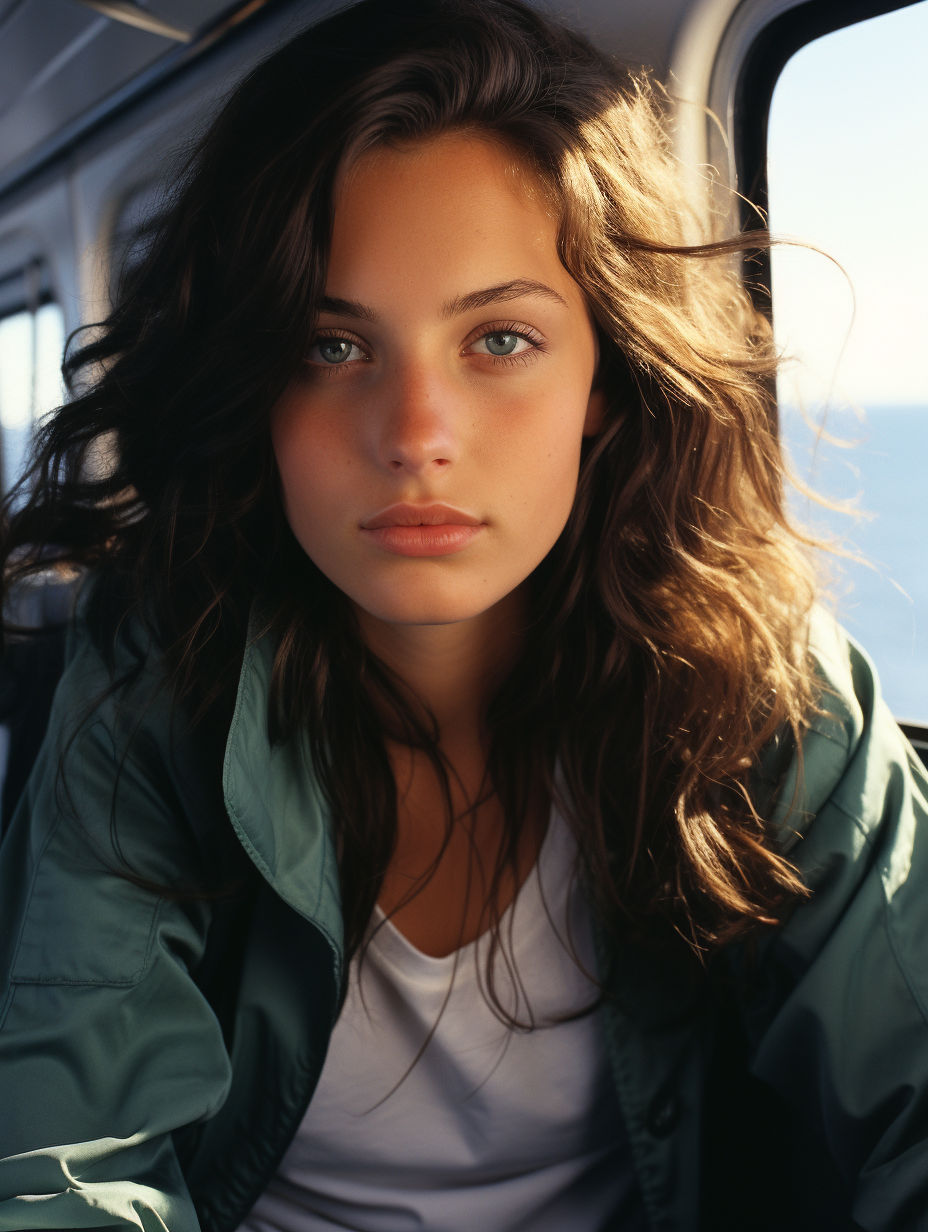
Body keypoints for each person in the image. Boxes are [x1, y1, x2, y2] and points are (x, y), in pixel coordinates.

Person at [0, 1, 926, 1230]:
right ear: (255, 382)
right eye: (333, 345)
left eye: (499, 338)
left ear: (604, 380)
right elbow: (65, 1171)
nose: (415, 435)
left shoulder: (761, 682)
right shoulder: (156, 687)